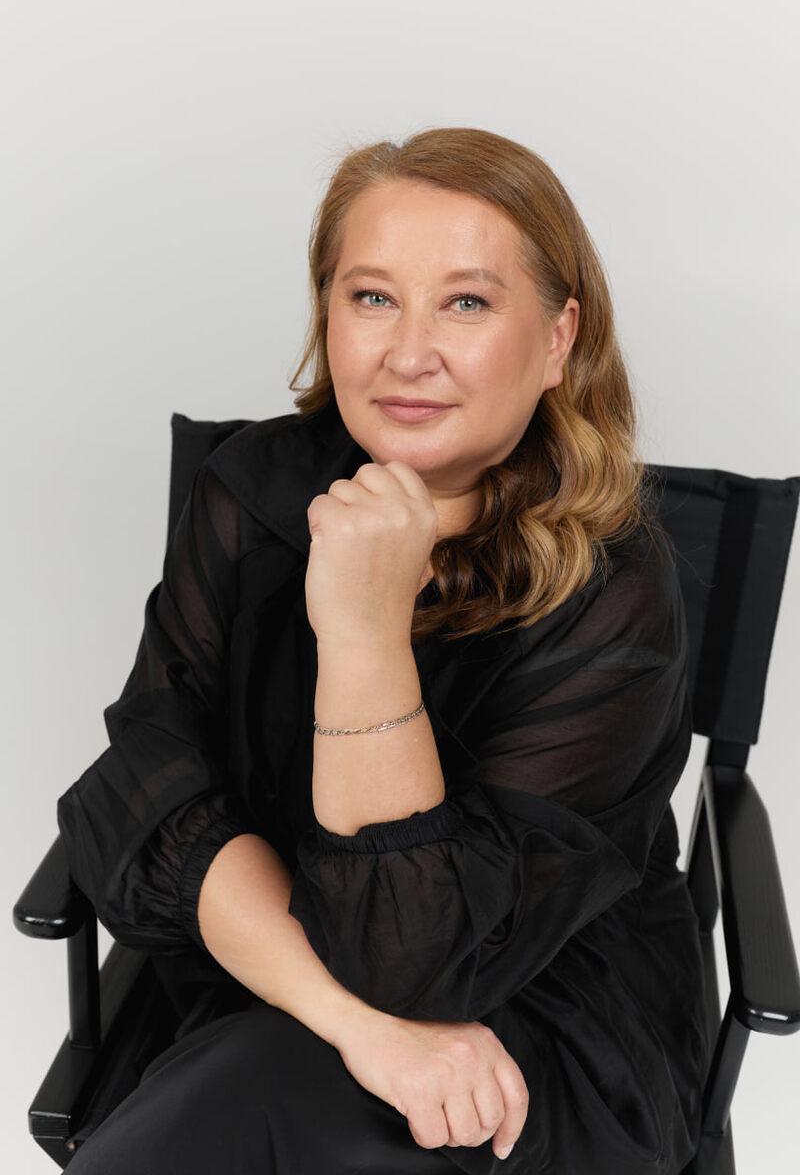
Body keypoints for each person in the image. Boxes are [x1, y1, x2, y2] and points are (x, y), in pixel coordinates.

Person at [56, 126, 708, 1174]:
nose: (408, 354)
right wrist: (361, 1029)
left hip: (532, 1027)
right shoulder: (253, 491)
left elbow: (415, 964)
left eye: (466, 303)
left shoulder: (615, 586)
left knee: (265, 1106)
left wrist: (363, 632)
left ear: (557, 339)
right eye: (371, 297)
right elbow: (145, 798)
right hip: (265, 968)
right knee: (256, 1088)